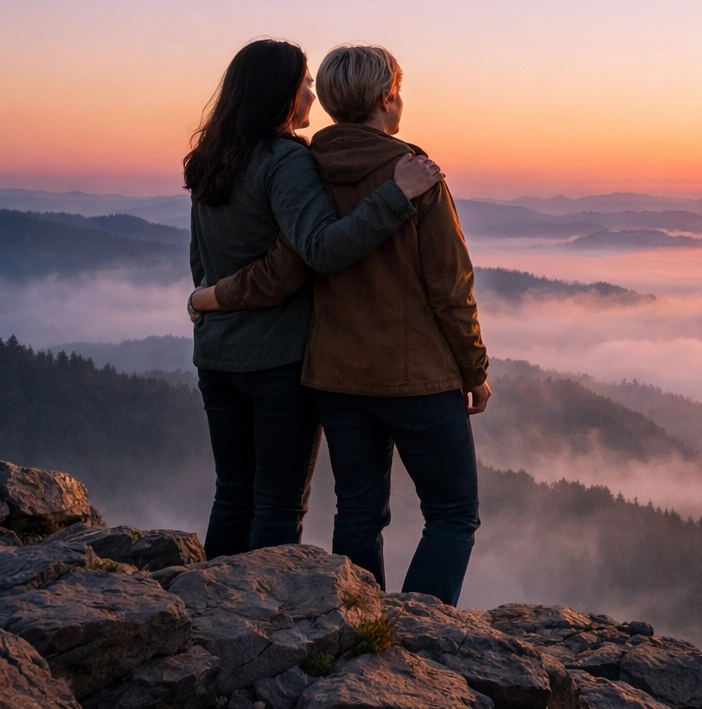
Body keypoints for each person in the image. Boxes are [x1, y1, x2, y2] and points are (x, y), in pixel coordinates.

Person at [191, 44, 490, 605]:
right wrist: (474, 369)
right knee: (452, 514)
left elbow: (228, 258)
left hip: (326, 375)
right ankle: (413, 634)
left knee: (348, 512)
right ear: (387, 98)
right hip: (404, 374)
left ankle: (331, 615)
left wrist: (212, 298)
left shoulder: (292, 163)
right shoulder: (406, 173)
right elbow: (448, 287)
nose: (307, 94)